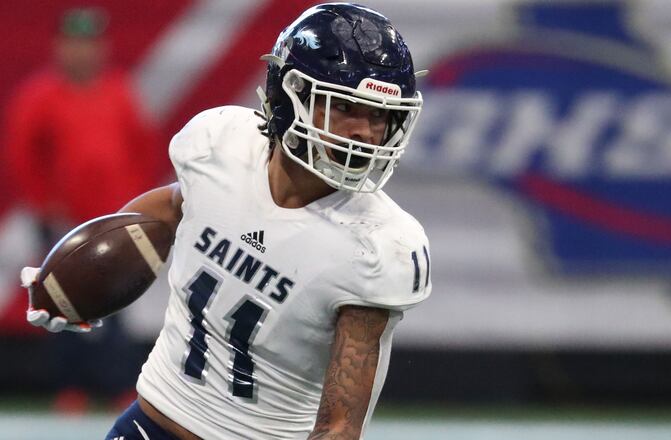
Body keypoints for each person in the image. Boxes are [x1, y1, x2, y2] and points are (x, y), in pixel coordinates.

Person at [22, 3, 431, 439]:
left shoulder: (377, 243)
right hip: (151, 424)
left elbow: (340, 427)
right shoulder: (221, 145)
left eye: (379, 116)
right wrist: (75, 273)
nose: (365, 133)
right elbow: (172, 208)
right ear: (288, 96)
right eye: (346, 107)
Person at [6, 7, 164, 412]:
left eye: (89, 43)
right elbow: (24, 156)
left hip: (114, 222)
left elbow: (142, 147)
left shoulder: (118, 90)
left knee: (122, 306)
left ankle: (119, 388)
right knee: (62, 305)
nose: (82, 52)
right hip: (66, 224)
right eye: (74, 43)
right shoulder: (40, 95)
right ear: (60, 47)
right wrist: (46, 204)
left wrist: (135, 203)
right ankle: (70, 388)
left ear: (101, 48)